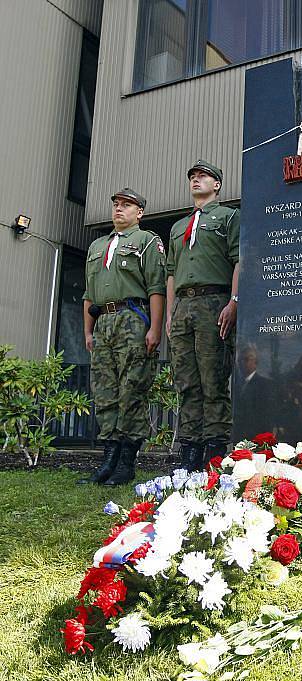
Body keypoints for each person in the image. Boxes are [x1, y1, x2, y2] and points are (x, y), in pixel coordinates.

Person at [78, 188, 166, 486]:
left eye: (126, 205)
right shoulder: (97, 246)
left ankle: (126, 461)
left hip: (132, 318)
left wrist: (155, 328)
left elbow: (156, 287)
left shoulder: (146, 241)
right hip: (103, 322)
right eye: (116, 204)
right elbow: (89, 293)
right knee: (105, 391)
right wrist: (88, 330)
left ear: (139, 212)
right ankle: (108, 459)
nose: (119, 209)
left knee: (131, 389)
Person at [166, 160, 240, 471]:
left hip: (214, 301)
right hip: (183, 305)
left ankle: (214, 449)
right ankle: (190, 448)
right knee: (187, 380)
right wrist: (171, 314)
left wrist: (234, 301)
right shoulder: (178, 227)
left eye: (203, 176)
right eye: (193, 176)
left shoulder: (228, 217)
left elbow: (240, 261)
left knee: (213, 377)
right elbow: (170, 273)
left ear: (217, 185)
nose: (196, 180)